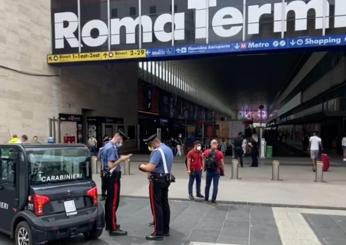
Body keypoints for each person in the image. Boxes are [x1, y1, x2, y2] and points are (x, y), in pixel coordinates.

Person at [139, 134, 174, 241]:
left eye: (150, 145)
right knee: (164, 204)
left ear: (154, 142)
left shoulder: (157, 151)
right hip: (166, 179)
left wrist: (141, 166)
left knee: (156, 206)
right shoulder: (168, 149)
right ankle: (165, 229)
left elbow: (150, 167)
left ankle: (158, 232)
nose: (150, 147)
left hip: (157, 180)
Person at [102, 131, 132, 236]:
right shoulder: (111, 148)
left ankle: (109, 224)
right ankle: (113, 228)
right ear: (118, 137)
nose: (122, 142)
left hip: (108, 177)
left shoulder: (107, 146)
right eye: (122, 140)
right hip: (113, 177)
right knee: (113, 203)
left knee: (109, 202)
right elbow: (111, 165)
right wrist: (122, 159)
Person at [203, 139, 225, 204]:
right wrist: (223, 171)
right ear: (217, 145)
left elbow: (204, 160)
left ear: (210, 144)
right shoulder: (220, 153)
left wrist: (204, 167)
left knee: (207, 185)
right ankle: (213, 199)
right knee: (215, 186)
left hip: (209, 171)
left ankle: (206, 198)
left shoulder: (206, 151)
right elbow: (222, 163)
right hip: (216, 171)